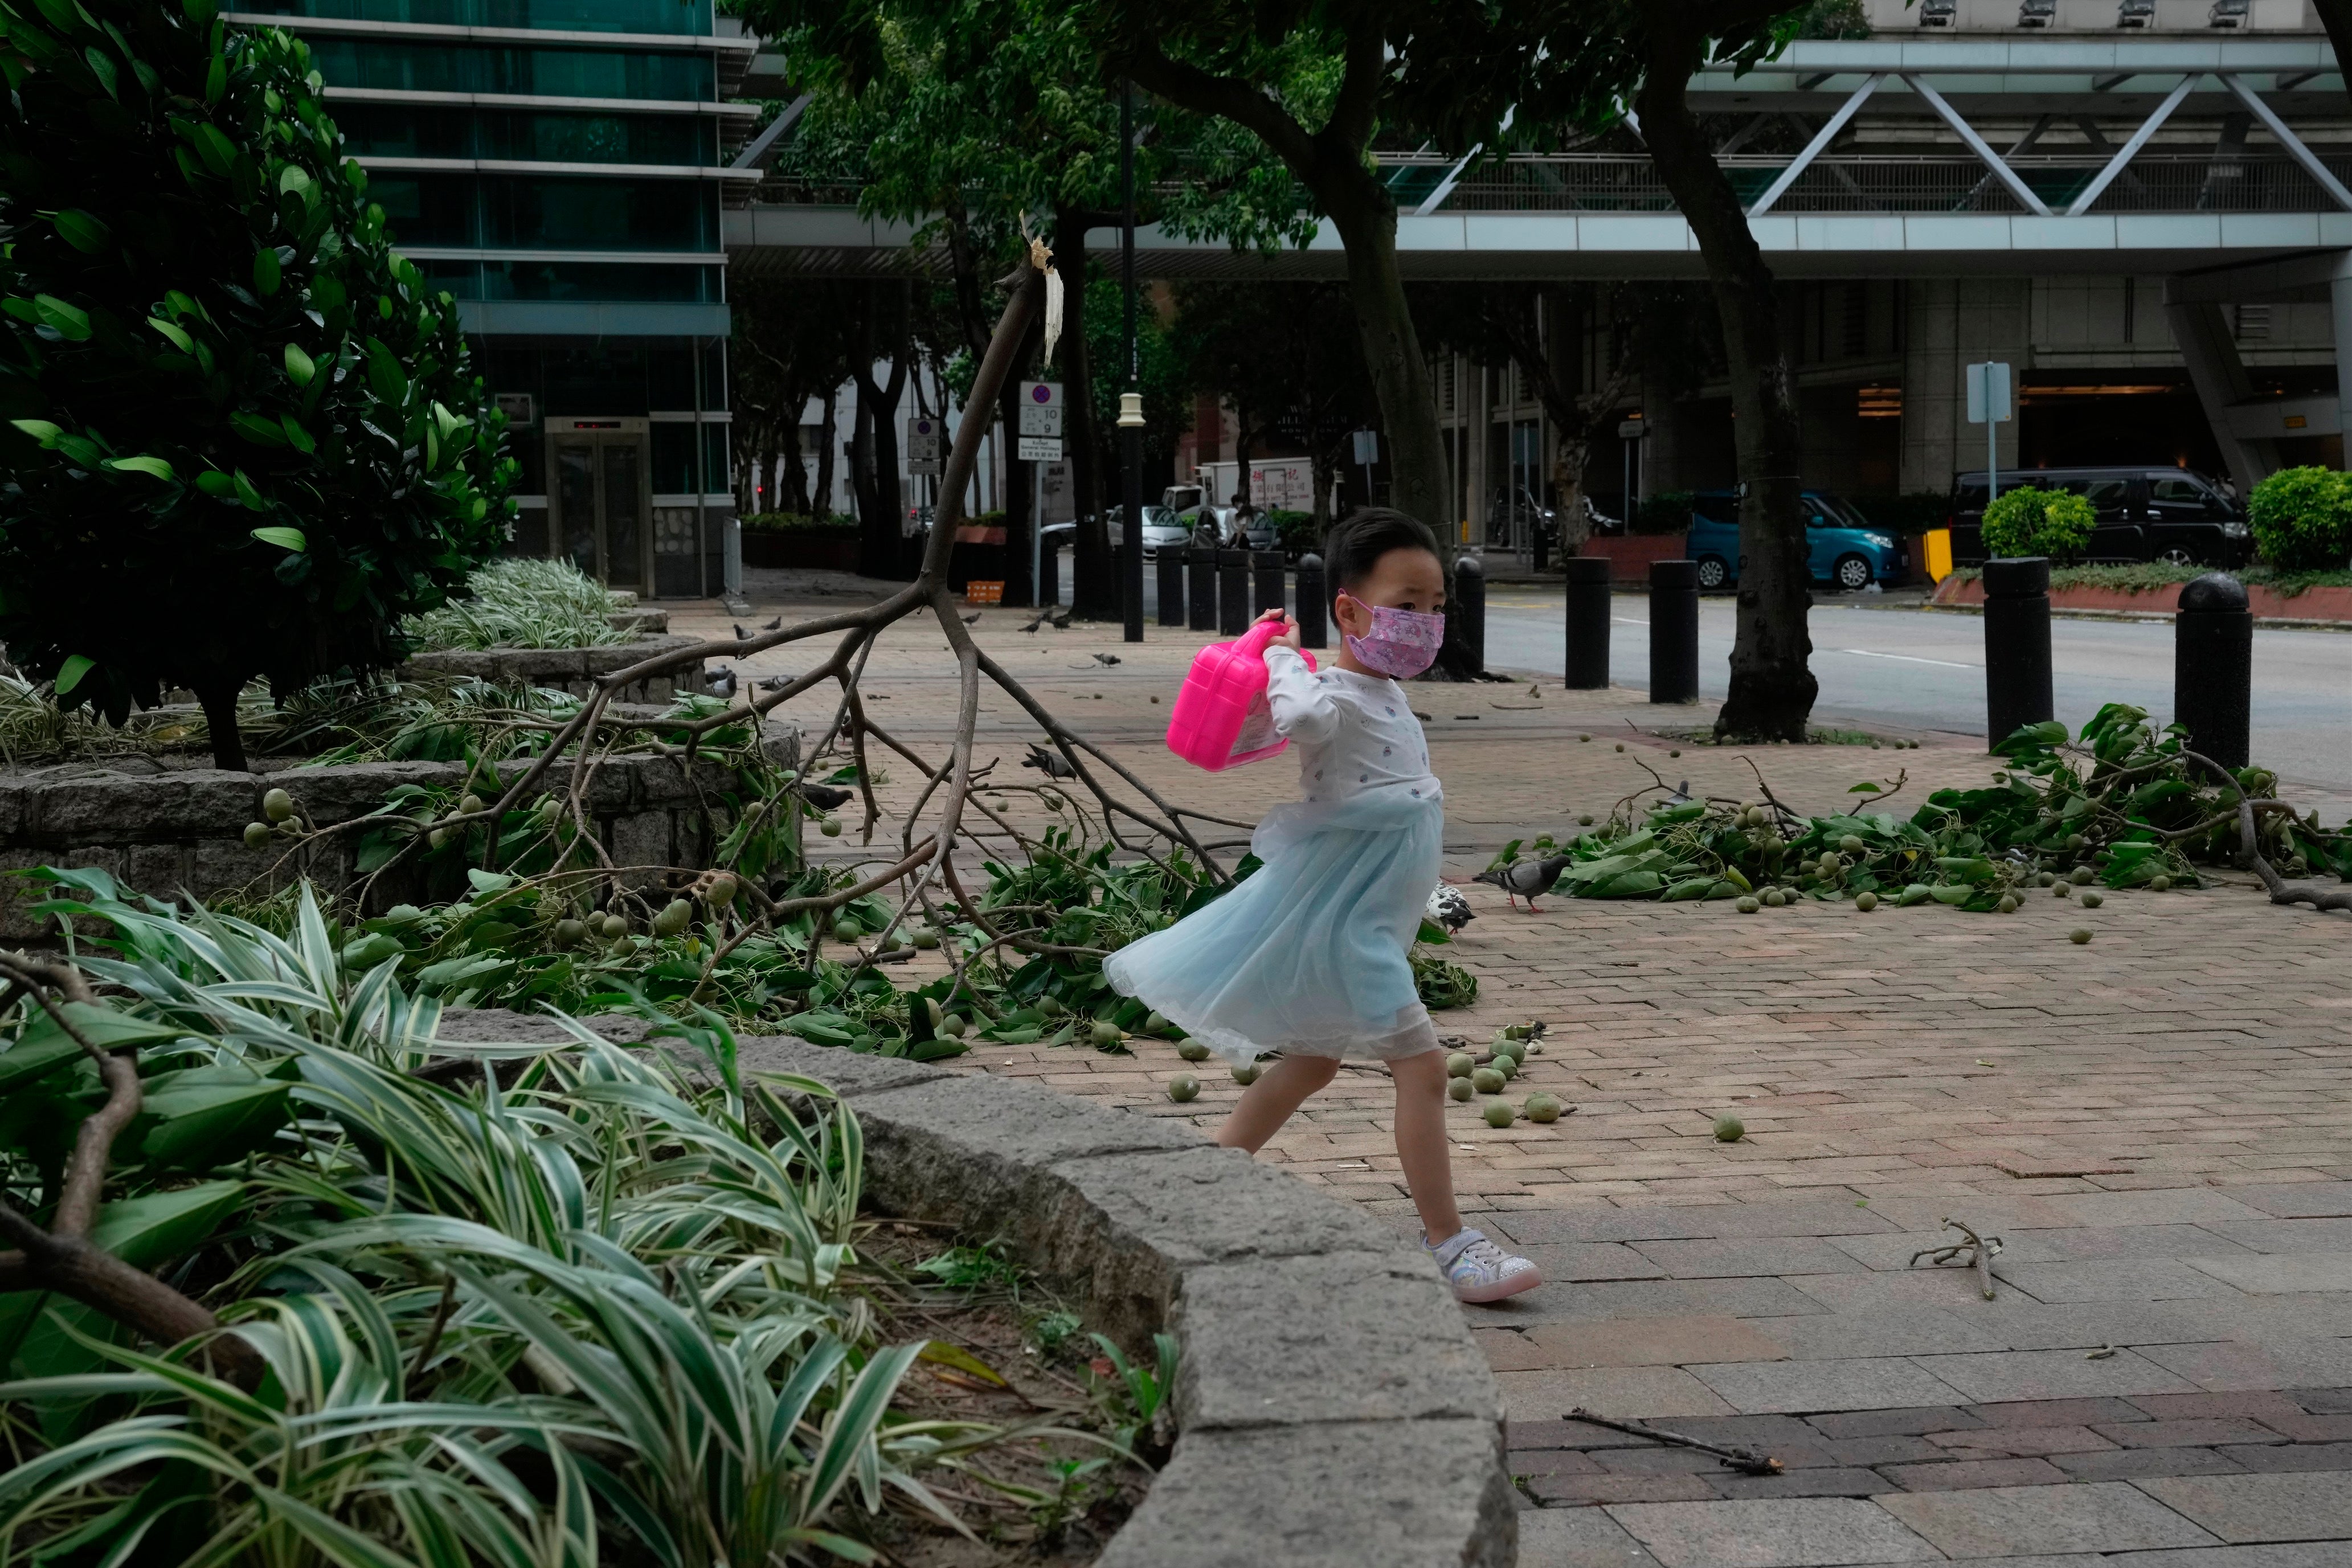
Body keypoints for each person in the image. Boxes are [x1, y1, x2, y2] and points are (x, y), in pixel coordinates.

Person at [1106, 508, 1540, 1304]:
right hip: (1350, 931)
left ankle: (1199, 1183)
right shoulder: (1328, 691)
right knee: (1425, 1068)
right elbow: (1302, 718)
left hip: (1370, 920)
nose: (1426, 621)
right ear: (1348, 609)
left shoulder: (1382, 690)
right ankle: (1449, 1241)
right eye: (1406, 603)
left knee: (1310, 1062)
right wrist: (1279, 655)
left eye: (1437, 605)